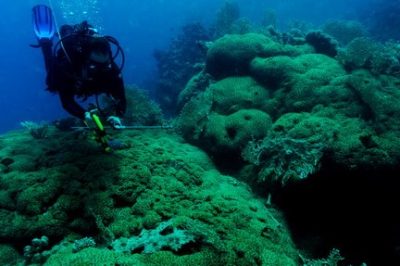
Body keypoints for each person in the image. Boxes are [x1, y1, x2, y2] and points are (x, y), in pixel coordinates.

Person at [32, 5, 126, 130]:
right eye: (94, 66)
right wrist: (84, 115)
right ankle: (45, 42)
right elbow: (66, 101)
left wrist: (118, 115)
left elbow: (121, 96)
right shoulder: (69, 65)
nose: (100, 70)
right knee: (52, 78)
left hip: (86, 79)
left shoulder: (110, 69)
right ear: (86, 60)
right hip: (73, 74)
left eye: (103, 65)